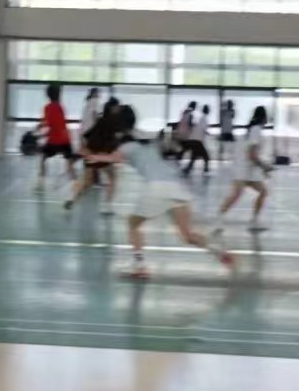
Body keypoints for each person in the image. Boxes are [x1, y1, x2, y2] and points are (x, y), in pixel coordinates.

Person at [86, 107, 233, 280]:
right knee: (188, 235)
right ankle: (219, 252)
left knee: (132, 224)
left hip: (157, 187)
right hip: (177, 186)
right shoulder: (148, 140)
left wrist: (94, 157)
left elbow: (114, 158)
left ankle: (139, 266)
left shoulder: (126, 146)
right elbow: (169, 145)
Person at [217, 105, 271, 229]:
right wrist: (264, 167)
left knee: (263, 192)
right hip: (242, 169)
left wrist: (262, 168)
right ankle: (218, 219)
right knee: (236, 195)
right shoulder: (256, 130)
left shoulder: (253, 129)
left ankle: (254, 221)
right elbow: (251, 154)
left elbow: (251, 154)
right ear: (264, 117)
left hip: (248, 170)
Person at [36, 83, 76, 188]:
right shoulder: (60, 107)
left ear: (48, 95)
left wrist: (41, 131)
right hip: (65, 139)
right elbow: (57, 124)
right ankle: (75, 182)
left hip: (54, 140)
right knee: (69, 162)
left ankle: (41, 181)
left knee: (43, 158)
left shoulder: (48, 108)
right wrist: (42, 127)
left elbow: (50, 124)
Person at [183, 105, 212, 176]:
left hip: (192, 139)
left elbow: (195, 127)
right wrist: (207, 133)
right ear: (207, 111)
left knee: (194, 156)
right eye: (208, 110)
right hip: (197, 140)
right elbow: (203, 129)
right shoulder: (204, 119)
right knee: (206, 156)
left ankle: (187, 170)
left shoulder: (200, 118)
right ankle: (206, 171)